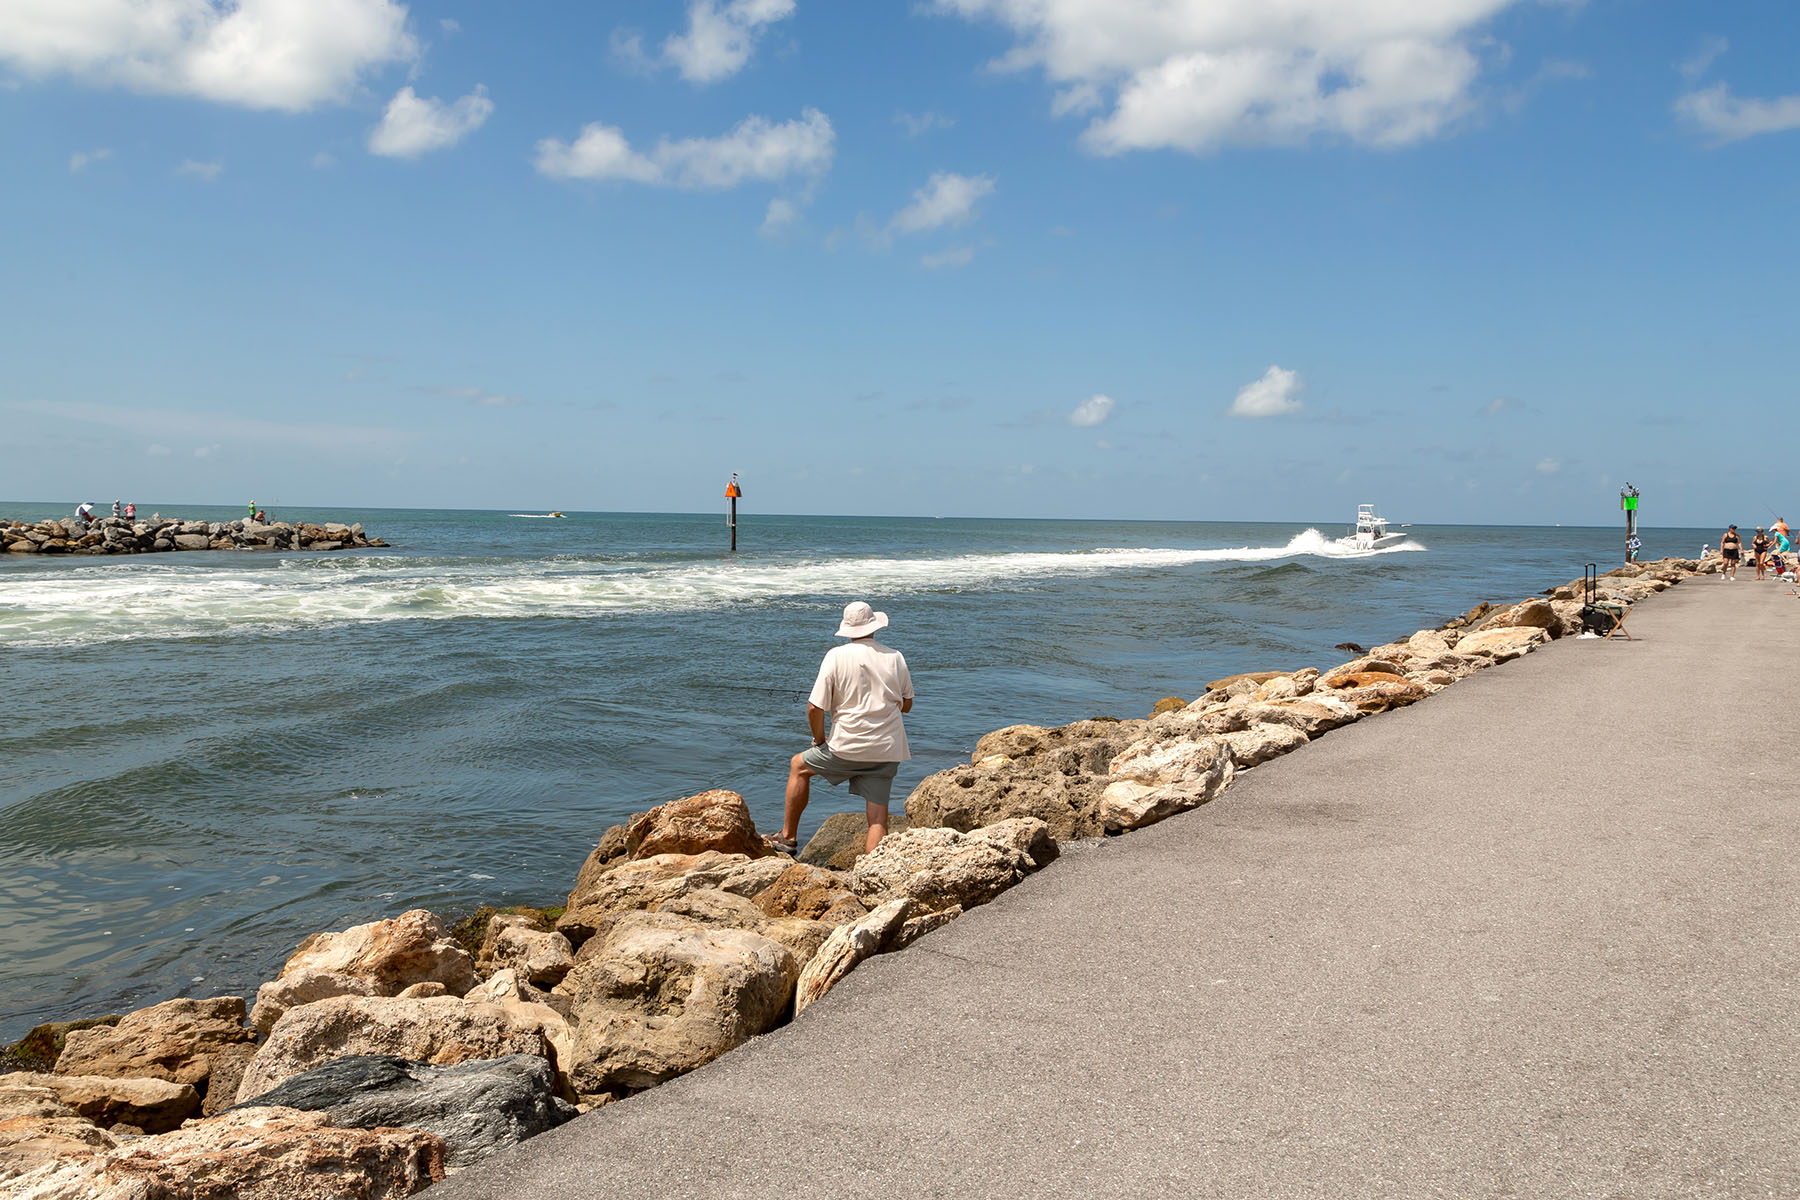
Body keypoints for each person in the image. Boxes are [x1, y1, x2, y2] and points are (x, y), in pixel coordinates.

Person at [772, 600, 915, 857]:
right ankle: (872, 870)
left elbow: (814, 708)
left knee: (798, 766)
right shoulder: (895, 657)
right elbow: (907, 706)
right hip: (887, 749)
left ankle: (788, 837)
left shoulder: (836, 656)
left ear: (848, 629)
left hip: (846, 747)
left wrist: (819, 739)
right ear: (874, 626)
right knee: (878, 821)